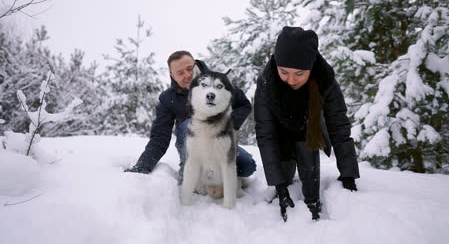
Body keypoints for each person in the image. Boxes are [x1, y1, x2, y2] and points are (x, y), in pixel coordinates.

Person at [254, 27, 360, 221]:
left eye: (299, 73)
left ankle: (312, 202)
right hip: (280, 135)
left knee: (308, 166)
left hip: (308, 132)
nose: (291, 80)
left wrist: (348, 174)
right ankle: (283, 184)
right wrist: (279, 185)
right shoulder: (266, 81)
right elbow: (265, 133)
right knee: (283, 177)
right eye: (284, 72)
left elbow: (339, 127)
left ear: (311, 68)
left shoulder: (325, 80)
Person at [126, 51, 257, 185]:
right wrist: (142, 166)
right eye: (180, 73)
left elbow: (244, 105)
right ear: (172, 76)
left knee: (247, 166)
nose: (188, 75)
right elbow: (160, 138)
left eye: (189, 69)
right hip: (190, 144)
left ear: (196, 67)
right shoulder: (168, 99)